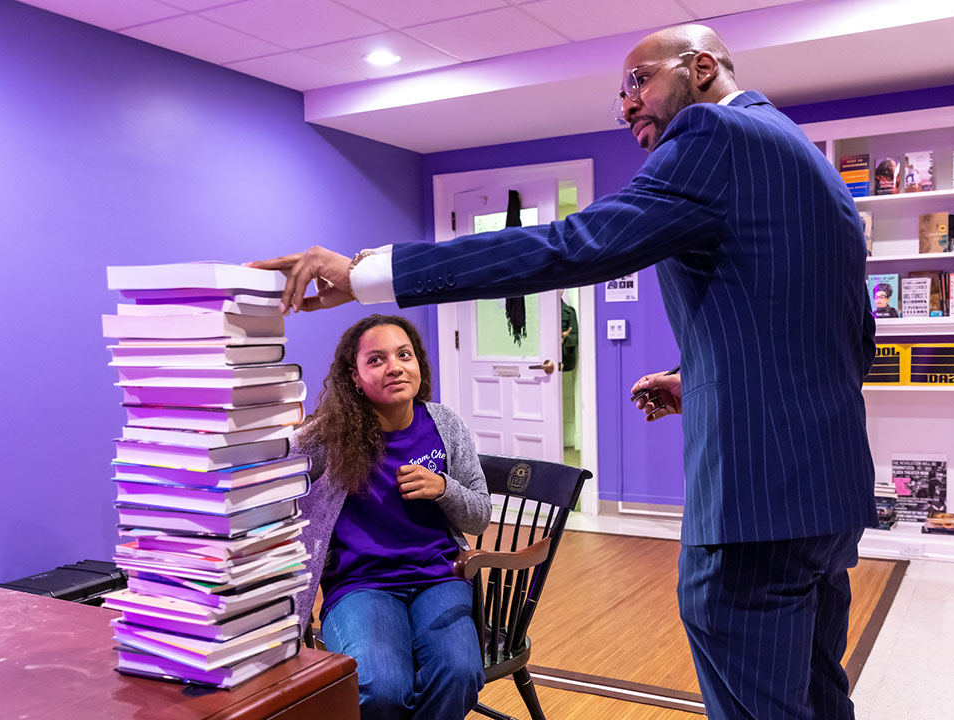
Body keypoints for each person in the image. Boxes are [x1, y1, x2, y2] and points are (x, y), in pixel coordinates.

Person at [252, 22, 876, 720]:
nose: (626, 106)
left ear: (701, 68)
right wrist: (695, 377)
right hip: (830, 493)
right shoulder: (812, 162)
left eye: (639, 81)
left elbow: (572, 245)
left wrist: (371, 273)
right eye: (619, 94)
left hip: (757, 504)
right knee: (820, 697)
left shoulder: (713, 138)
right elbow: (848, 338)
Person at [291, 314, 490, 719]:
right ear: (355, 375)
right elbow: (269, 474)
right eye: (377, 359)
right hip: (359, 583)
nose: (395, 367)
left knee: (460, 673)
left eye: (404, 355)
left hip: (438, 577)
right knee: (381, 687)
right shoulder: (328, 435)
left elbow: (480, 516)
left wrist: (444, 488)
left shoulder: (445, 423)